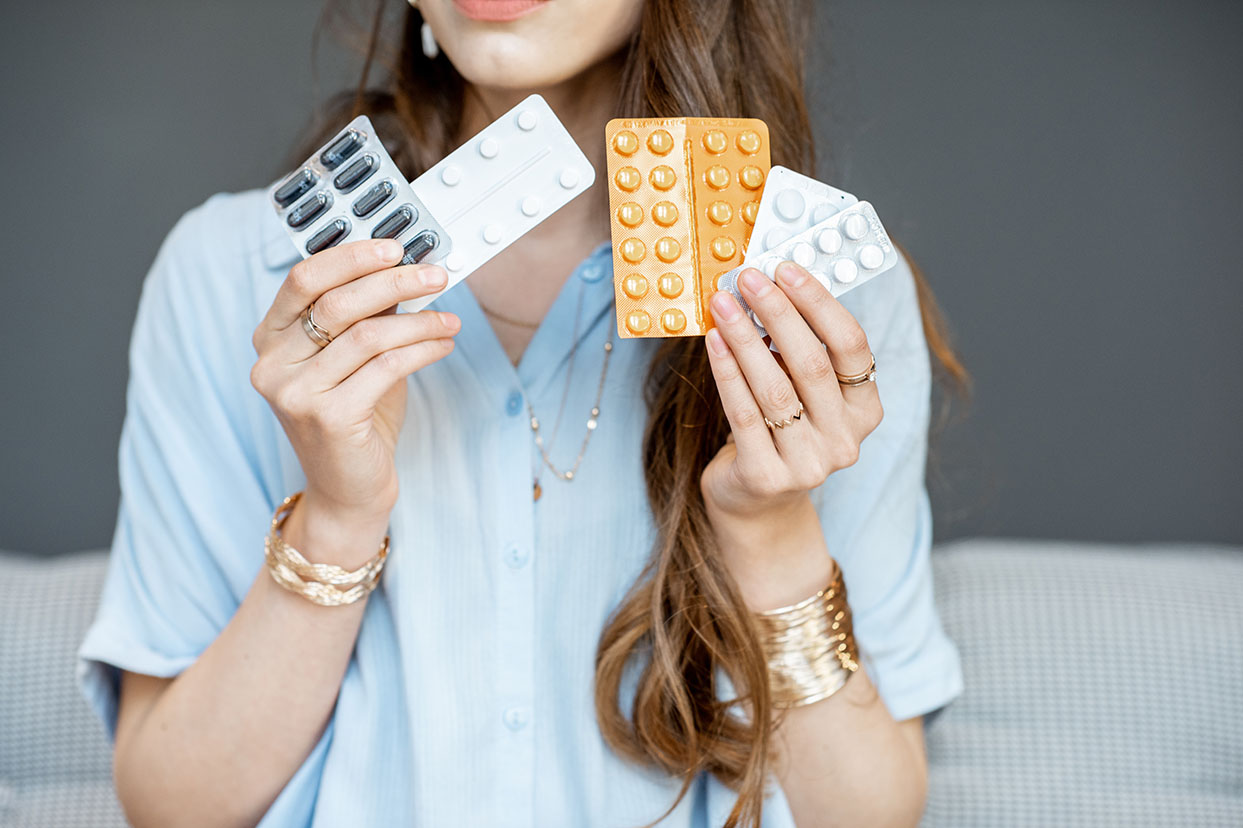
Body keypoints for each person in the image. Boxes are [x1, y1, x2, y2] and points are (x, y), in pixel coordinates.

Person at [77, 0, 965, 825]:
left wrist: (769, 533)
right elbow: (171, 803)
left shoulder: (820, 300)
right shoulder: (230, 275)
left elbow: (868, 812)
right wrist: (336, 522)